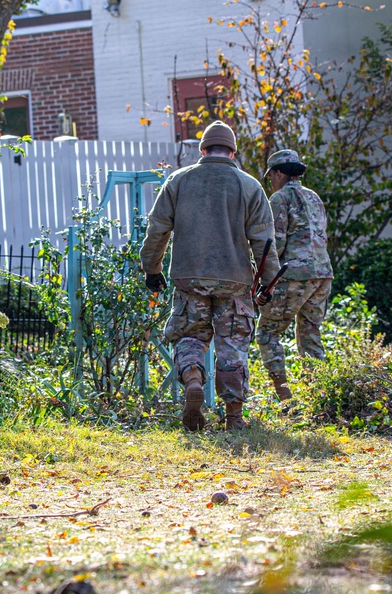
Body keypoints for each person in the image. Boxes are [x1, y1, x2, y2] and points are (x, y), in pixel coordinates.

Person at [140, 121, 280, 431]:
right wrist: (267, 285)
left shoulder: (178, 181)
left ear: (203, 150)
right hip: (235, 280)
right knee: (232, 345)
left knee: (190, 336)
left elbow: (157, 230)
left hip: (189, 277)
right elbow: (264, 243)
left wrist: (152, 269)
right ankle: (233, 419)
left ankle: (192, 381)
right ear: (233, 151)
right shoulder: (250, 186)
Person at [255, 149, 334, 401]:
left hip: (294, 275)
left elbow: (275, 243)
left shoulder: (279, 198)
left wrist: (261, 277)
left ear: (279, 173)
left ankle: (284, 397)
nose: (270, 181)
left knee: (267, 333)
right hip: (322, 273)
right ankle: (321, 396)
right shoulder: (314, 197)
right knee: (310, 332)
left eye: (271, 176)